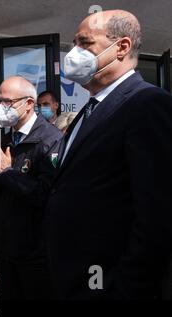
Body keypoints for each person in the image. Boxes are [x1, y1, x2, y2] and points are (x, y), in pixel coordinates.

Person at [45, 10, 172, 299]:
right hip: (73, 276)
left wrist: (125, 287)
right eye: (74, 43)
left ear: (122, 48)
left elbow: (157, 216)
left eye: (85, 43)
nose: (74, 53)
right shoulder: (89, 110)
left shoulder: (148, 105)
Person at [0, 76, 62, 299]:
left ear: (28, 103)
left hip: (36, 254)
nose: (1, 108)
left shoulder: (51, 140)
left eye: (7, 102)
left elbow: (45, 195)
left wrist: (7, 173)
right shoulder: (6, 140)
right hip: (6, 250)